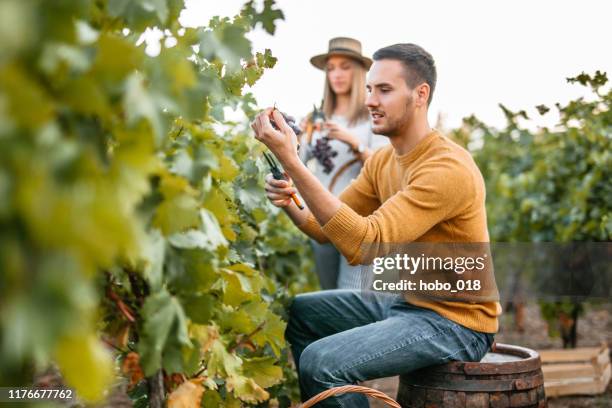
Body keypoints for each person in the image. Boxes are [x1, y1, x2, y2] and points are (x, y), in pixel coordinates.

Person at [252, 43, 501, 407]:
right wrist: (290, 198)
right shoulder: (383, 160)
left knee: (321, 362)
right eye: (369, 89)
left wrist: (293, 161)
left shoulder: (446, 169)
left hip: (457, 322)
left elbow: (365, 244)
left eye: (384, 90)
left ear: (420, 95)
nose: (370, 99)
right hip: (407, 303)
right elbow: (325, 229)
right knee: (303, 312)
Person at [299, 37, 388, 290]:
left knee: (352, 299)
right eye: (331, 68)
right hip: (322, 220)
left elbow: (385, 168)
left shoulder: (373, 118)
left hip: (358, 222)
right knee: (328, 299)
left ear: (359, 72)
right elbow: (296, 160)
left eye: (345, 67)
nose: (336, 74)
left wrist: (354, 143)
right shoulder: (313, 120)